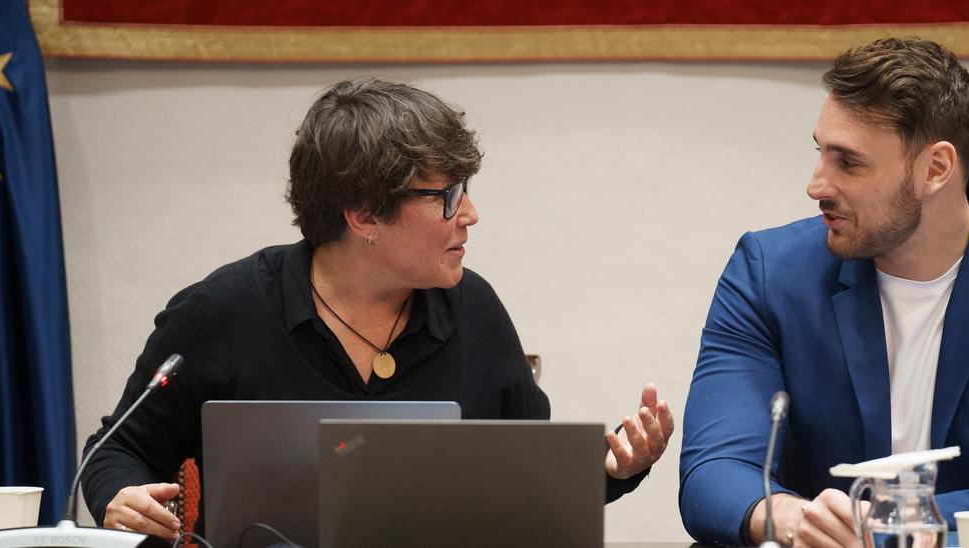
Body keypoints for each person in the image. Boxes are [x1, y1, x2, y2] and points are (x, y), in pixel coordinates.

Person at [81, 78, 674, 541]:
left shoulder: (475, 312)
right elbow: (114, 452)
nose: (470, 214)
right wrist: (120, 496)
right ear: (364, 215)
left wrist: (614, 467)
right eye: (447, 195)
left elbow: (529, 482)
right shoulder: (221, 312)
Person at [679, 37, 969, 547]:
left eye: (849, 162)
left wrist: (896, 523)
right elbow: (714, 472)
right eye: (821, 153)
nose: (816, 185)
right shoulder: (770, 272)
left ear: (936, 169)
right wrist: (792, 519)